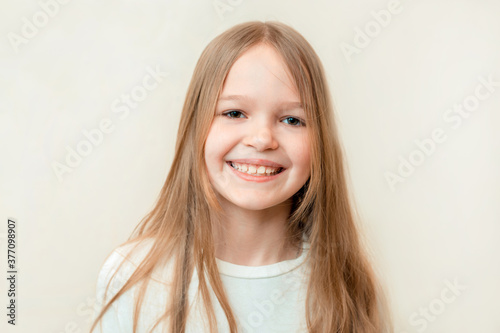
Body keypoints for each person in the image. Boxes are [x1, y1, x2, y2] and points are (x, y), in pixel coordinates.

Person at [90, 20, 393, 333]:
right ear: (197, 128)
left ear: (320, 143)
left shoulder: (349, 287)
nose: (262, 139)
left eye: (292, 119)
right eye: (234, 113)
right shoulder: (133, 275)